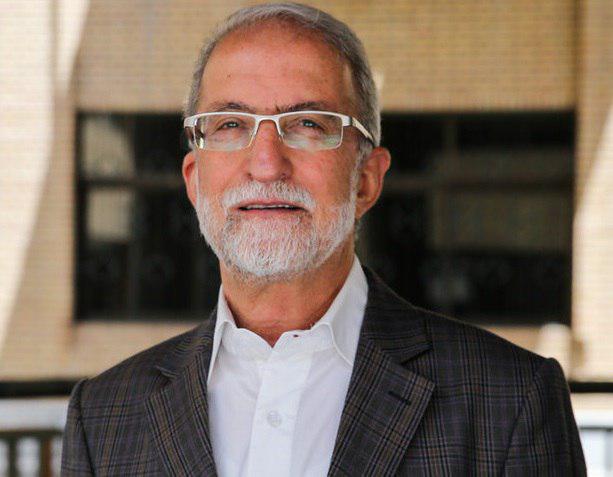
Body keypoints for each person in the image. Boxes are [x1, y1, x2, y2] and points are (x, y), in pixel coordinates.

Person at [61, 3, 586, 476]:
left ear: (366, 179)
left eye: (308, 123)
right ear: (195, 181)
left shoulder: (510, 401)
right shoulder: (103, 418)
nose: (266, 164)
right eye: (231, 124)